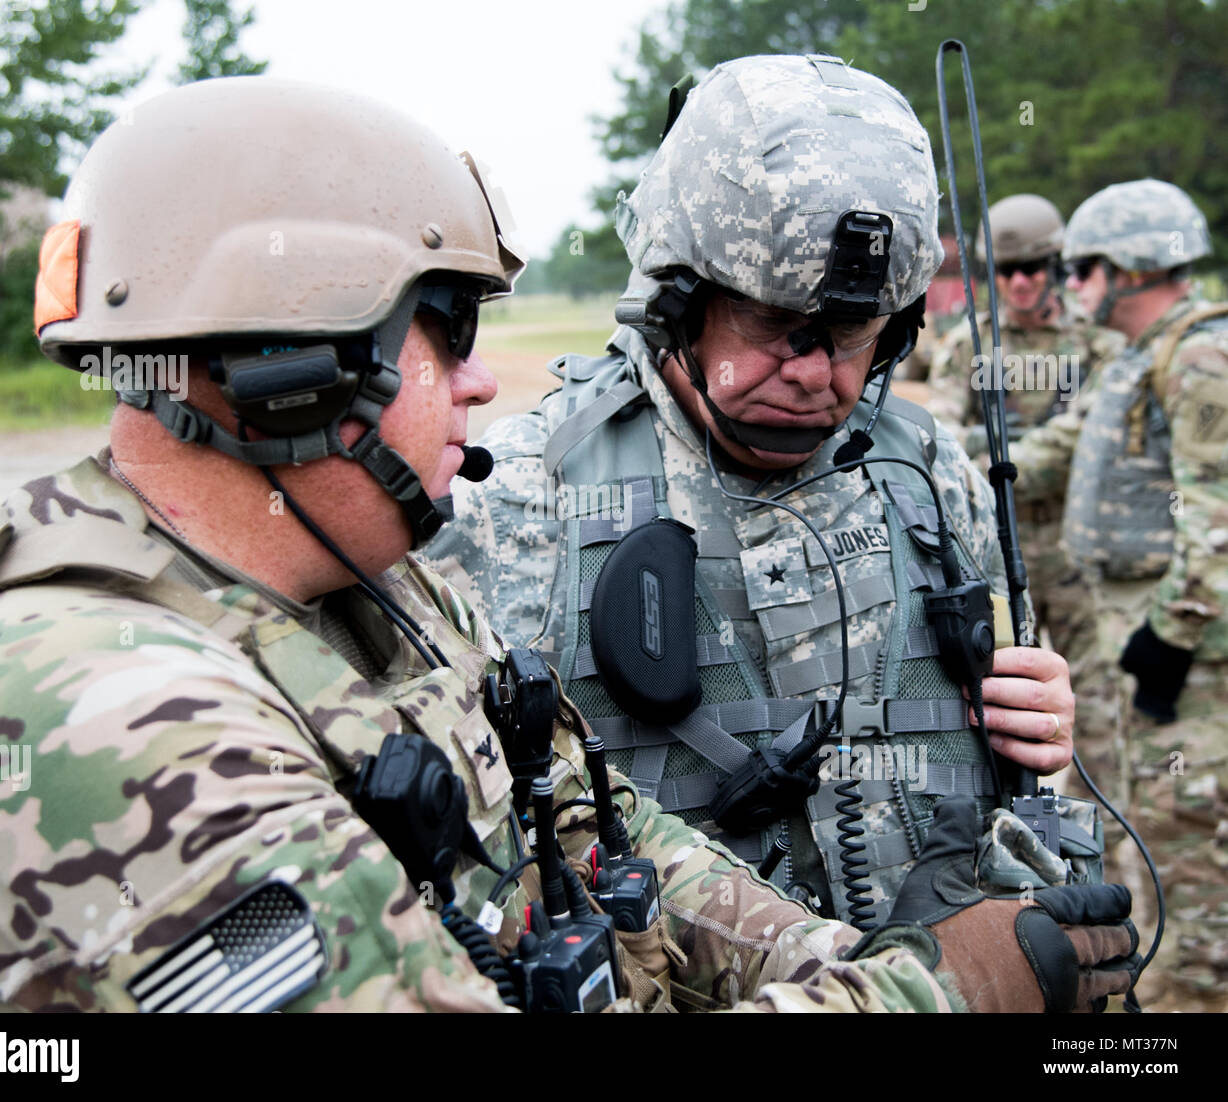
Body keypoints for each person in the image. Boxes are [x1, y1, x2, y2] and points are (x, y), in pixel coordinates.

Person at [0, 75, 1139, 1015]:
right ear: (286, 367)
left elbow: (589, 834)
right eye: (445, 333)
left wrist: (841, 956)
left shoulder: (374, 597)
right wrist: (938, 989)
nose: (481, 382)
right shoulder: (97, 714)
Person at [424, 55, 1102, 934]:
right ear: (677, 302)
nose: (816, 372)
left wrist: (1040, 718)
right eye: (777, 325)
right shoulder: (516, 502)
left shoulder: (931, 478)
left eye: (852, 332)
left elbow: (1018, 731)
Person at [1009, 178, 1228, 1012]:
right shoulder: (1142, 355)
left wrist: (1173, 638)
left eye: (1083, 268)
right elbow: (1056, 448)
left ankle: (1191, 996)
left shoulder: (1200, 356)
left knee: (1189, 834)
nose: (1068, 286)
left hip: (1189, 656)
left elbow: (1218, 514)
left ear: (1132, 269)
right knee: (1150, 821)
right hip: (1141, 630)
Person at [928, 195, 1120, 662]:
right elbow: (939, 441)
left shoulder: (1098, 344)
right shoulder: (969, 345)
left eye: (1032, 267)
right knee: (1011, 684)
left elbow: (1083, 440)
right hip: (998, 543)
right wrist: (973, 447)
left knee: (1099, 694)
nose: (1019, 281)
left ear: (1054, 265)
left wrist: (992, 456)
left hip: (1079, 544)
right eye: (1006, 268)